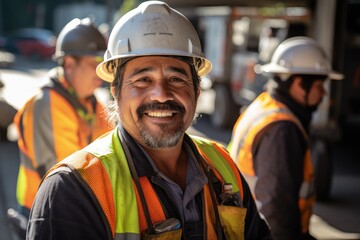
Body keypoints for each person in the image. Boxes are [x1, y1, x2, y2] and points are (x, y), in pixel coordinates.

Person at [27, 1, 272, 239]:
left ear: (197, 91)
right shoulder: (73, 190)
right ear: (116, 91)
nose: (162, 95)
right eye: (143, 80)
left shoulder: (223, 165)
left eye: (177, 79)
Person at [228, 36, 343, 240]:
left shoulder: (265, 105)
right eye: (319, 86)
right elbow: (277, 209)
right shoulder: (282, 129)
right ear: (299, 84)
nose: (324, 93)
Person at [13, 17, 111, 220]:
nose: (100, 73)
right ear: (69, 64)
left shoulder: (90, 102)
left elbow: (112, 152)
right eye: (94, 63)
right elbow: (68, 179)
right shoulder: (46, 105)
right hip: (44, 212)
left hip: (75, 206)